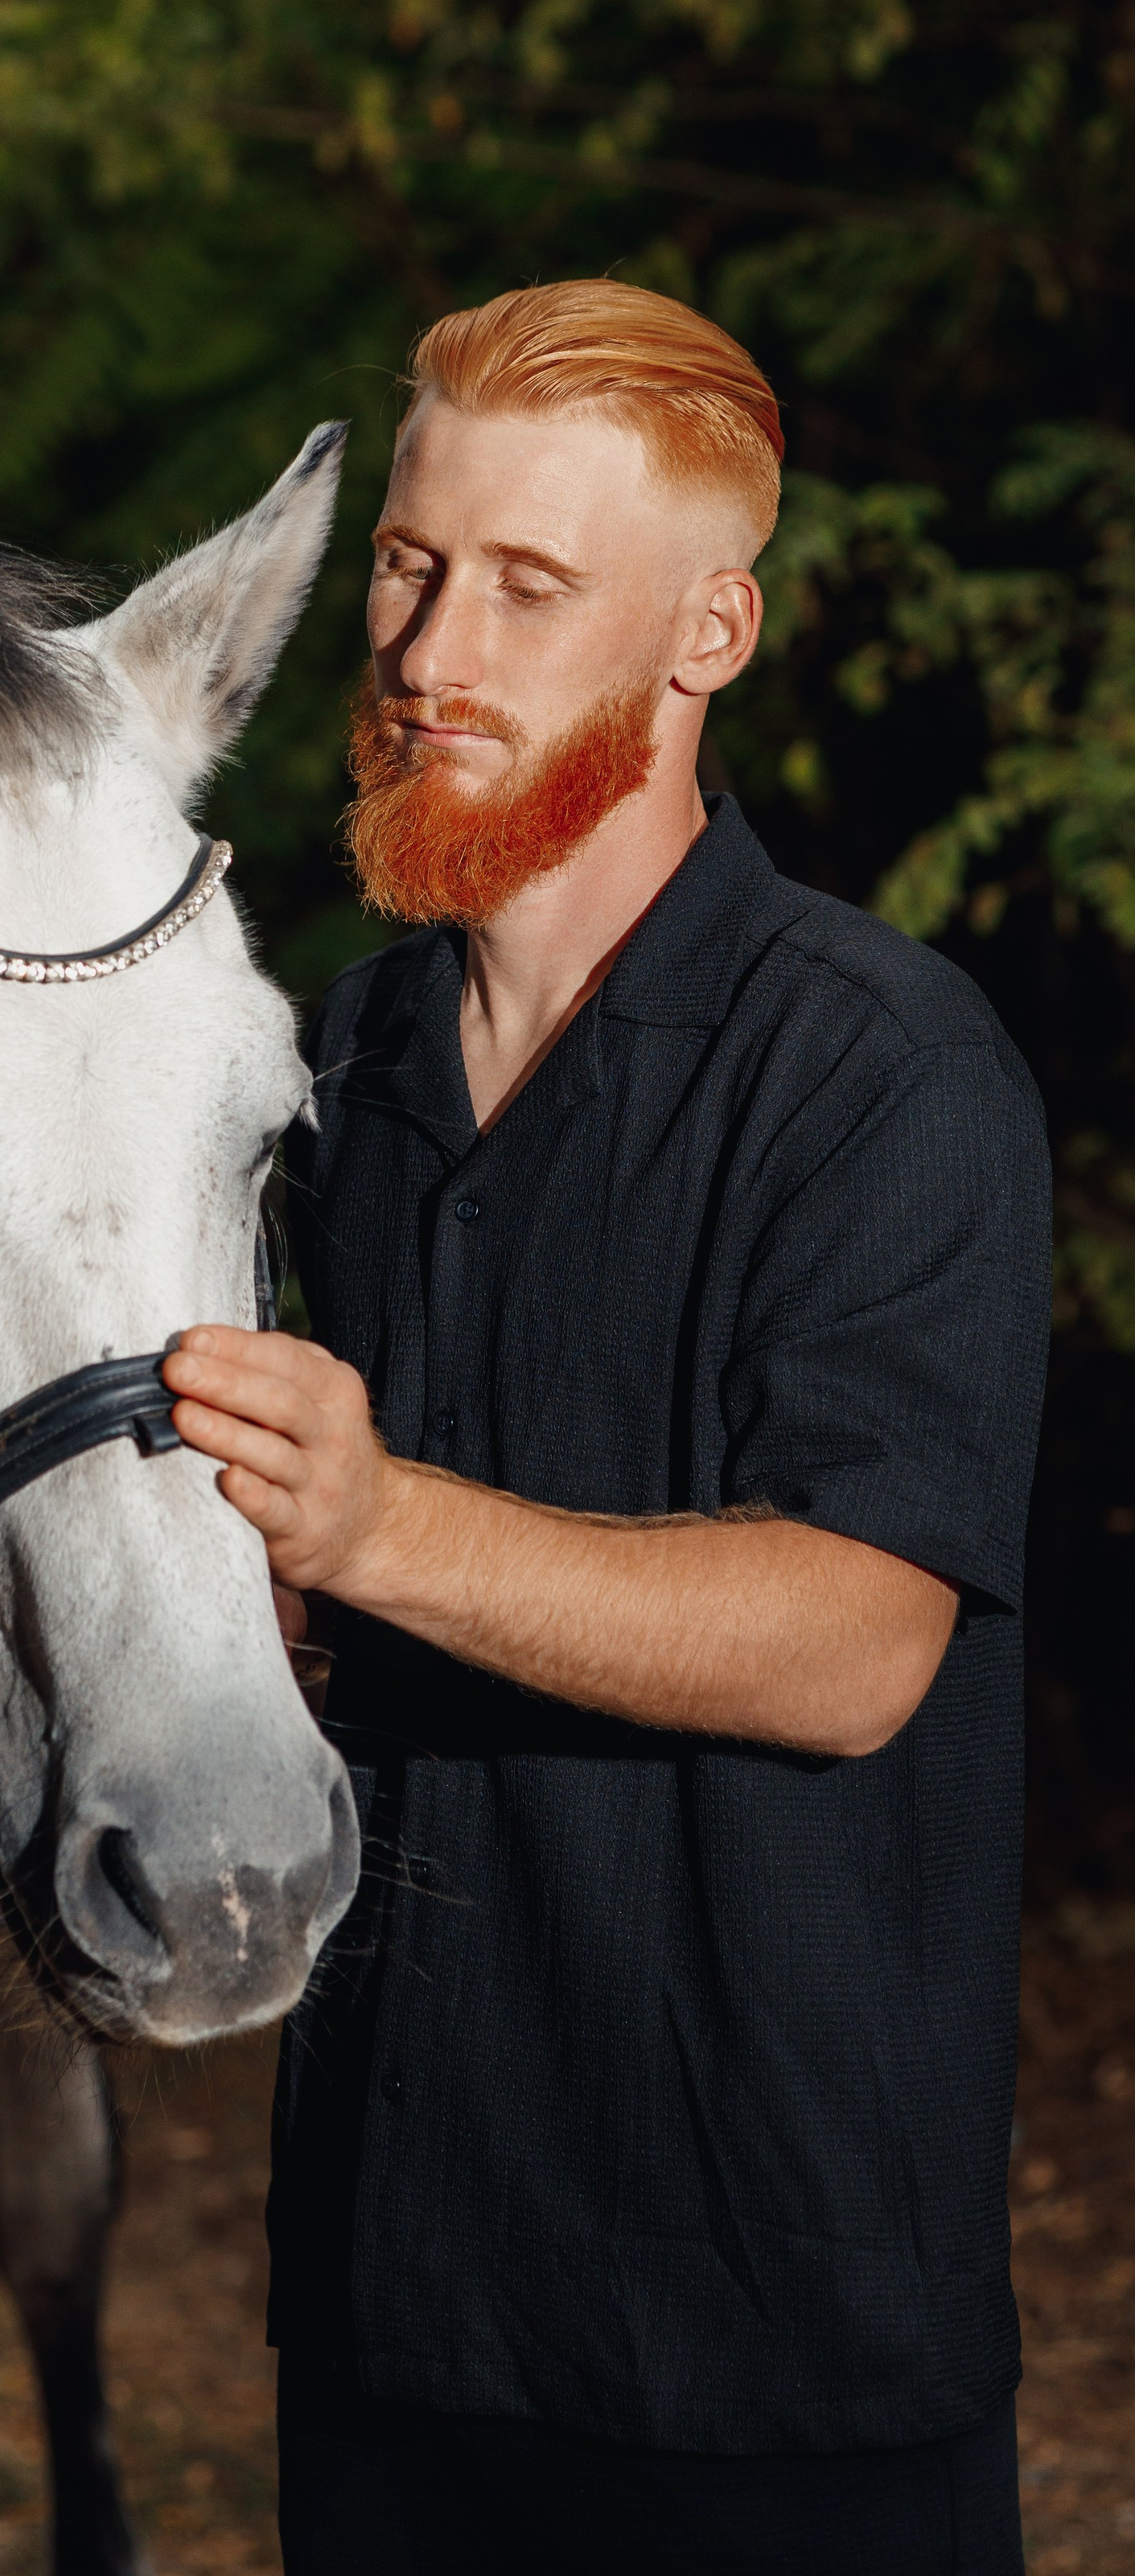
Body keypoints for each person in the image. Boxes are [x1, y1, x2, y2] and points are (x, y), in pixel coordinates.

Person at [161, 282, 1052, 2576]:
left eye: (530, 587)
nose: (428, 651)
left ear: (707, 635)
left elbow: (853, 1646)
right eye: (410, 564)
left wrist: (371, 1527)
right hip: (388, 2304)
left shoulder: (880, 1067)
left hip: (768, 2345)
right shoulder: (318, 1072)